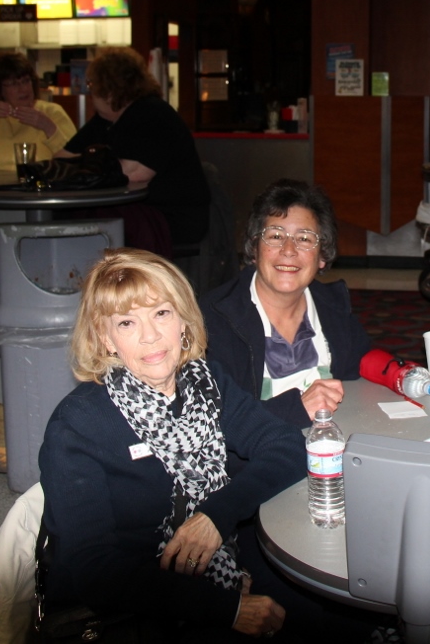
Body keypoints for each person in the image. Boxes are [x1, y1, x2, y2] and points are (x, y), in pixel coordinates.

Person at [38, 248, 302, 641]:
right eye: (127, 323)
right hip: (123, 608)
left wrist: (215, 516)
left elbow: (287, 447)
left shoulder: (206, 382)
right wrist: (224, 608)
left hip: (220, 564)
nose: (151, 336)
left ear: (183, 321)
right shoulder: (77, 426)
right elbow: (93, 570)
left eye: (161, 313)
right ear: (105, 339)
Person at [201, 179, 369, 429]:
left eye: (304, 238)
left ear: (322, 256)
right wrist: (297, 409)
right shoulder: (211, 320)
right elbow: (215, 420)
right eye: (276, 236)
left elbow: (363, 365)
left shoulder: (332, 306)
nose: (289, 250)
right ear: (254, 249)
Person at [57, 46, 209, 258]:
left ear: (109, 90)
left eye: (92, 86)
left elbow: (133, 174)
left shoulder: (152, 114)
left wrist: (85, 166)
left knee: (83, 222)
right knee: (72, 217)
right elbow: (62, 158)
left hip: (172, 217)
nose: (89, 94)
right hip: (145, 212)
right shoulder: (106, 120)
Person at [0, 51, 76, 172]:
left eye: (26, 81)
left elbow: (76, 162)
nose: (23, 89)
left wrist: (48, 127)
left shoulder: (52, 112)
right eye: (14, 84)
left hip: (42, 188)